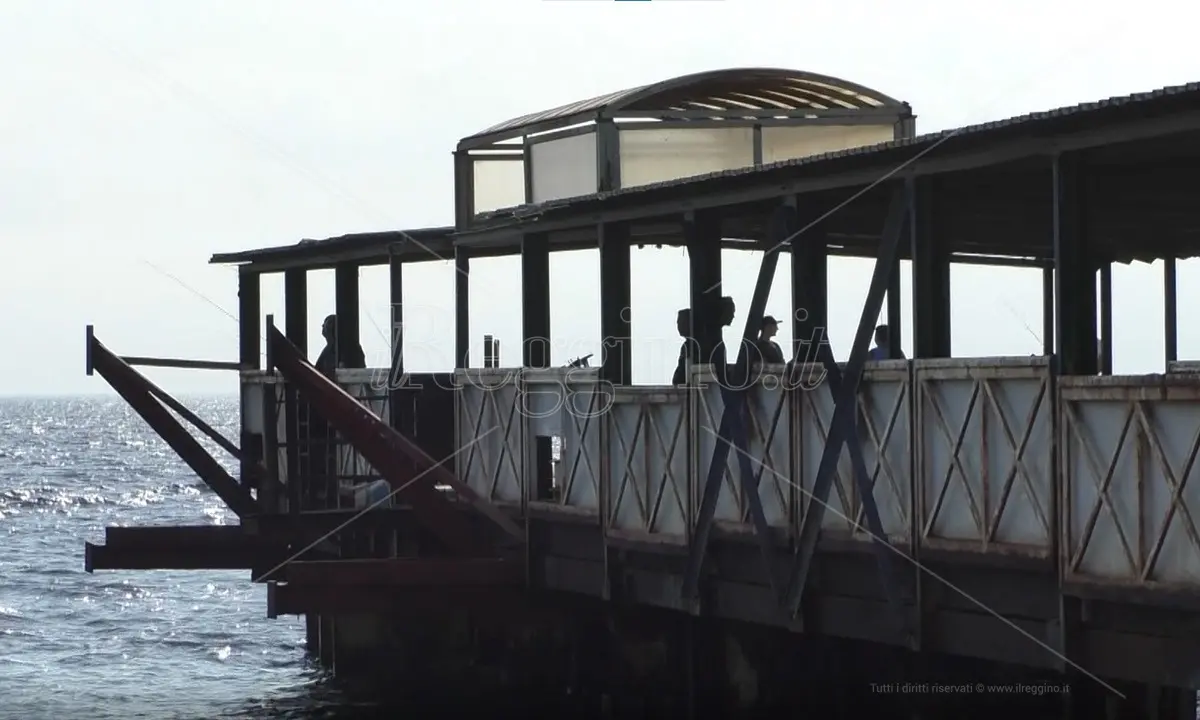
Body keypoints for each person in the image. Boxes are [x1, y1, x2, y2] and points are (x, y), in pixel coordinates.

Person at [671, 308, 698, 386]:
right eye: (678, 323)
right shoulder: (689, 345)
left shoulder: (690, 346)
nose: (678, 326)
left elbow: (681, 375)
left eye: (681, 322)